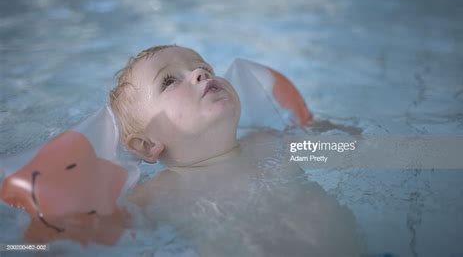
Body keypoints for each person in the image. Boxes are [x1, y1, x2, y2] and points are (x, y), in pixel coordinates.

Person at [109, 45, 367, 256]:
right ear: (147, 144)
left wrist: (321, 127)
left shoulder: (273, 143)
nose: (200, 73)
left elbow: (374, 153)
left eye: (204, 67)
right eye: (168, 81)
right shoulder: (151, 198)